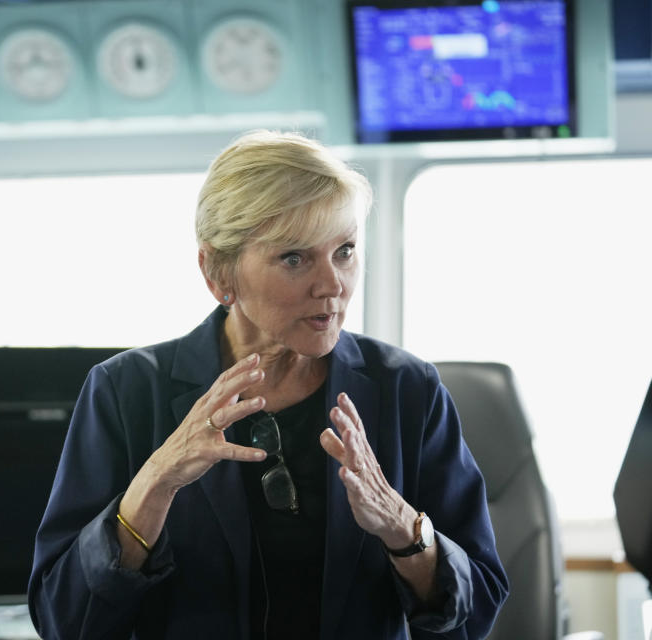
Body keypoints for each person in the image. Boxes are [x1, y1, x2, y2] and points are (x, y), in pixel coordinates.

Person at [27, 130, 508, 639]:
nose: (332, 285)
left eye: (344, 250)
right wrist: (155, 483)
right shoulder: (124, 391)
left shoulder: (408, 389)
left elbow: (477, 613)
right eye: (295, 258)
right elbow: (65, 621)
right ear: (218, 274)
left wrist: (402, 528)